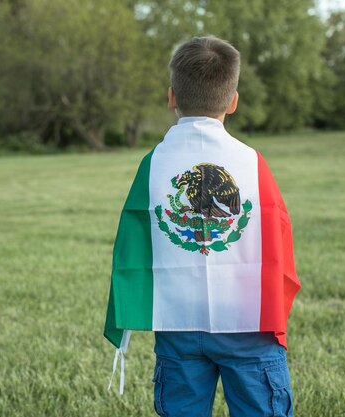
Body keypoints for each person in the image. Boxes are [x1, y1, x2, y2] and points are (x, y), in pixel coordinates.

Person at [103, 36, 301, 417]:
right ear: (233, 101)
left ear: (172, 96)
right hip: (249, 321)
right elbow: (278, 240)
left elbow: (134, 237)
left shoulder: (154, 163)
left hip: (178, 321)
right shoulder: (252, 163)